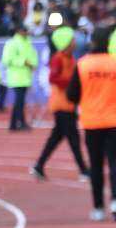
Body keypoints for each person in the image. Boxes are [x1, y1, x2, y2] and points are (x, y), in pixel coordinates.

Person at [65, 27, 116, 221]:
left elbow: (71, 95)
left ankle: (98, 208)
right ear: (109, 43)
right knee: (115, 162)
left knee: (96, 165)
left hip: (92, 121)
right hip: (115, 121)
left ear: (92, 42)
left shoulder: (82, 65)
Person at [31, 26, 89, 180]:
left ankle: (39, 165)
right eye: (72, 40)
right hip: (61, 105)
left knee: (56, 137)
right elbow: (53, 78)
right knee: (73, 138)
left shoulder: (70, 58)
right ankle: (84, 170)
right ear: (66, 42)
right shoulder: (58, 58)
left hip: (68, 104)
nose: (75, 42)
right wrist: (71, 83)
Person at [1, 23, 38, 131]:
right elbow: (6, 59)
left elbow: (33, 56)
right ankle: (20, 123)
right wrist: (23, 62)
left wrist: (33, 64)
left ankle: (13, 124)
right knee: (19, 102)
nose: (26, 32)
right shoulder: (11, 43)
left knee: (20, 102)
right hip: (16, 77)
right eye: (24, 30)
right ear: (19, 31)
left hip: (26, 77)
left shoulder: (27, 42)